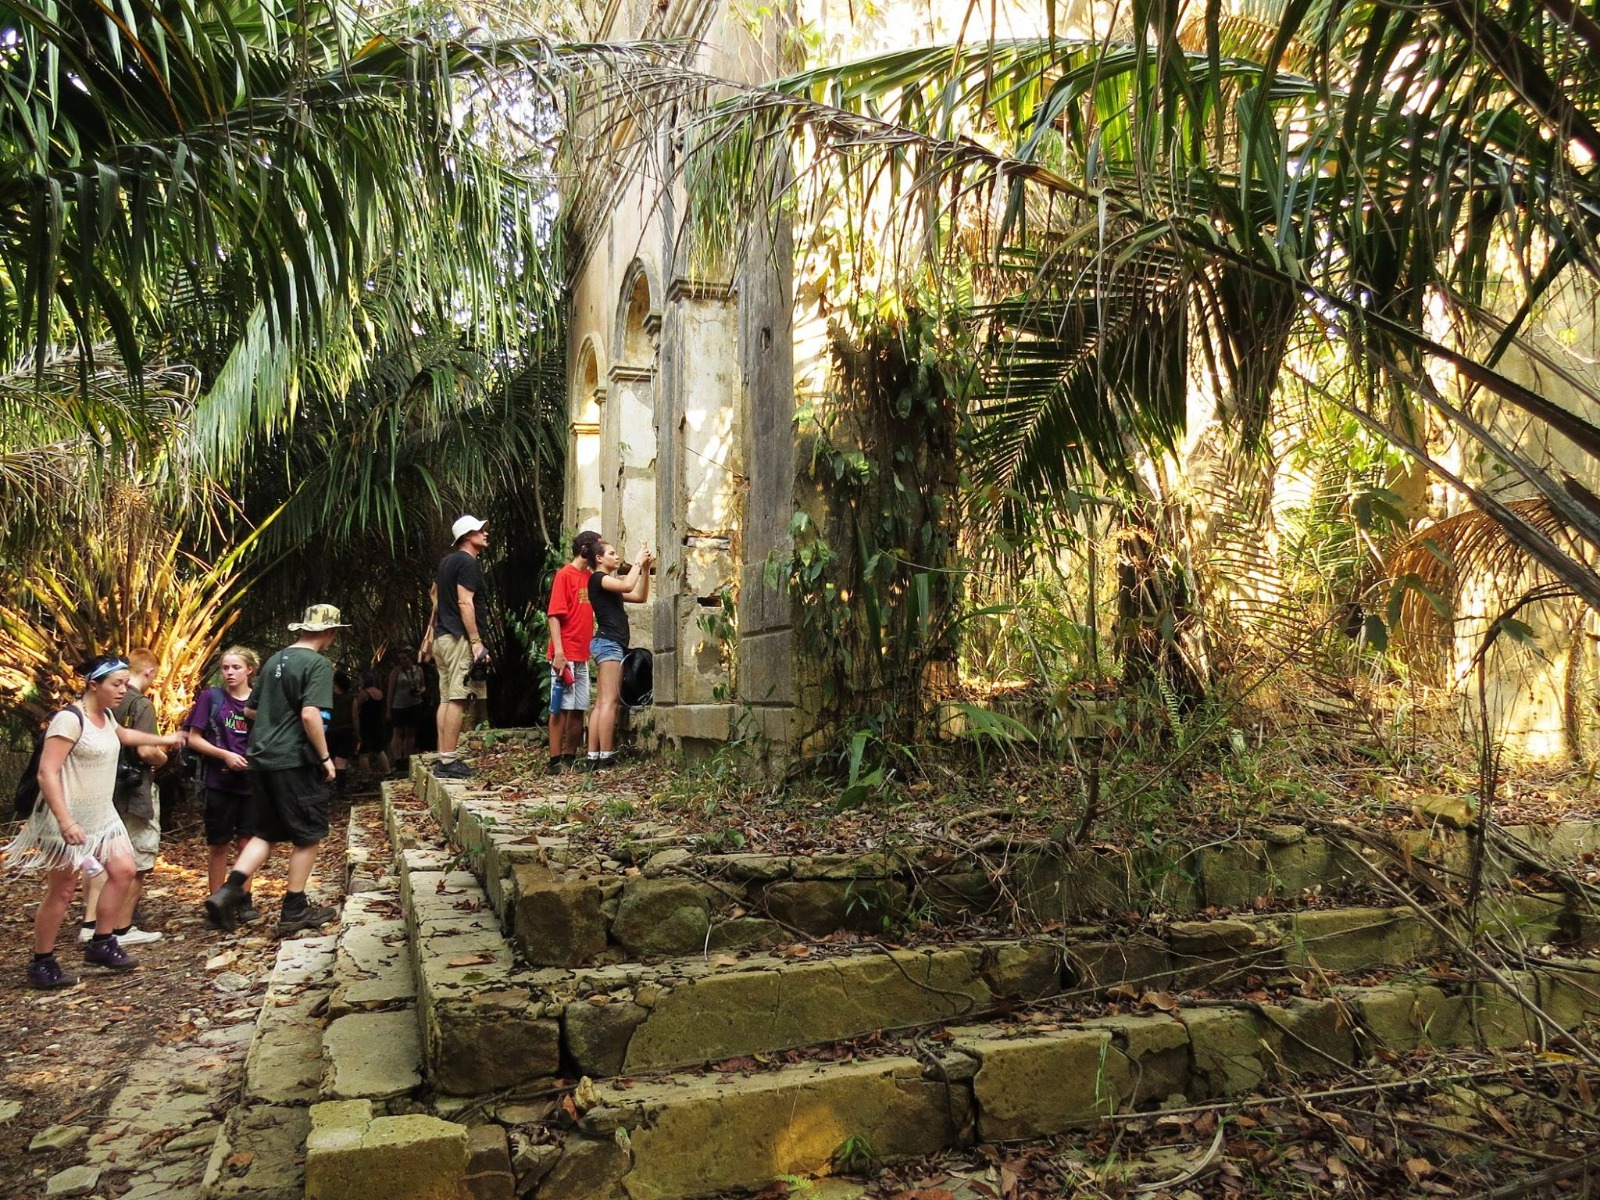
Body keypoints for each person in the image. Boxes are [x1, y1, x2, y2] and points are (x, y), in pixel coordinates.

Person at [9, 654, 186, 987]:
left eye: (124, 683)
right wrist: (65, 822)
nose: (123, 690)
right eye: (116, 684)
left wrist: (165, 740)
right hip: (67, 817)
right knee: (62, 891)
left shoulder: (105, 715)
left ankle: (102, 943)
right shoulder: (69, 719)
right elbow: (47, 772)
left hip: (102, 814)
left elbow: (126, 737)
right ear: (94, 685)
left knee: (124, 869)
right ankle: (41, 962)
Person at [204, 604, 347, 936]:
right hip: (293, 761)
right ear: (330, 633)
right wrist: (325, 757)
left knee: (265, 832)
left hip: (261, 759)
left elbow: (251, 712)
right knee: (309, 835)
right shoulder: (318, 663)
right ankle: (294, 908)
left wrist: (276, 719)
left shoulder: (274, 660)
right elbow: (311, 715)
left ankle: (228, 892)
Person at [81, 647, 168, 946]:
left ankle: (90, 924)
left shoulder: (98, 707)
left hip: (102, 791)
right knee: (136, 859)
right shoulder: (139, 704)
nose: (120, 689)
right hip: (132, 793)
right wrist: (164, 755)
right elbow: (145, 752)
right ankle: (122, 927)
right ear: (150, 672)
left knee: (100, 857)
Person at [186, 646, 260, 923]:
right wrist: (225, 755)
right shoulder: (211, 697)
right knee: (218, 844)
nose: (229, 672)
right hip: (218, 782)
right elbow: (194, 738)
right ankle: (216, 902)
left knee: (247, 842)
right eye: (225, 667)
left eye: (236, 667)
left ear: (249, 670)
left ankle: (243, 898)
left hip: (252, 784)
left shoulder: (259, 700)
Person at [422, 515, 491, 780]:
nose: (485, 534)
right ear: (467, 536)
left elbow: (436, 599)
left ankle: (444, 755)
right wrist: (476, 642)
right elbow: (465, 603)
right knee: (459, 699)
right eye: (479, 530)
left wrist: (429, 638)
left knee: (446, 698)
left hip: (442, 638)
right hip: (458, 637)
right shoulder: (467, 562)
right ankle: (448, 761)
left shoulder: (446, 562)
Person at [585, 540, 653, 770]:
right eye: (612, 554)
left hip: (609, 644)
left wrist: (645, 570)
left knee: (602, 702)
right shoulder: (598, 578)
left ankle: (593, 756)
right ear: (599, 559)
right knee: (609, 702)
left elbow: (640, 596)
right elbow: (627, 586)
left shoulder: (609, 586)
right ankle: (606, 756)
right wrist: (637, 561)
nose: (617, 557)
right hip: (609, 644)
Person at [546, 531, 601, 775]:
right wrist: (559, 651)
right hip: (565, 653)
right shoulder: (564, 576)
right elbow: (554, 615)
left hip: (582, 653)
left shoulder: (590, 578)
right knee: (559, 706)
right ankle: (554, 759)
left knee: (579, 708)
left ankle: (570, 756)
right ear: (586, 549)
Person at [386, 648, 425, 773]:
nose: (402, 661)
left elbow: (423, 685)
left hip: (415, 704)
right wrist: (388, 709)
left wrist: (420, 690)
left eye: (405, 658)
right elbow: (390, 692)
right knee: (397, 732)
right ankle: (398, 758)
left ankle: (407, 757)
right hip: (399, 706)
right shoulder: (396, 672)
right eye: (400, 659)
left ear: (410, 658)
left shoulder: (418, 670)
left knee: (410, 732)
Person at [354, 668, 389, 781]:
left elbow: (356, 708)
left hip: (366, 724)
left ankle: (365, 779)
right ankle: (387, 772)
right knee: (380, 750)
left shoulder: (364, 694)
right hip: (378, 723)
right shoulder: (379, 692)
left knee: (364, 753)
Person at [327, 671, 356, 793]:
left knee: (331, 759)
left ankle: (329, 788)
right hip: (346, 730)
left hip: (331, 730)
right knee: (341, 762)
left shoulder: (328, 698)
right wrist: (357, 731)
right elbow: (355, 716)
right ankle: (340, 790)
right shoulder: (350, 698)